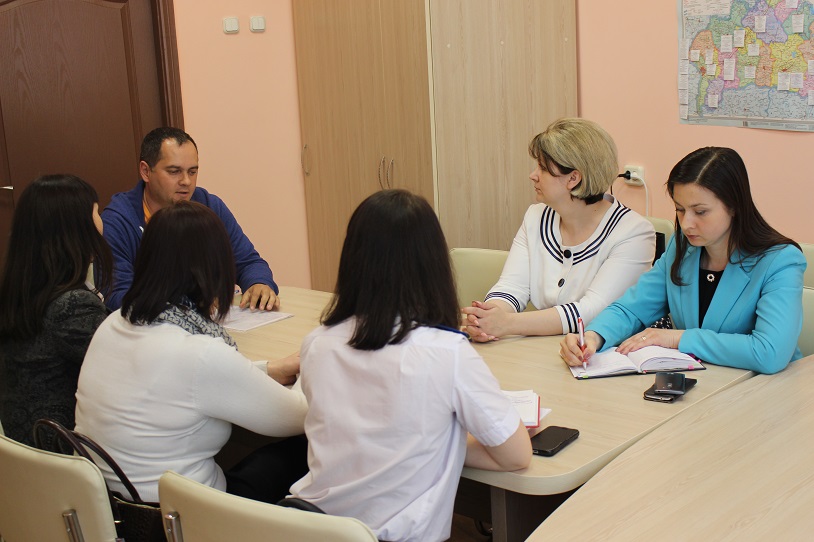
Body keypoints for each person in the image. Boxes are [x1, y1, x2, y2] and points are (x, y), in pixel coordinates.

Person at [289, 189, 532, 542]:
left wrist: (424, 443)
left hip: (311, 528)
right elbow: (516, 455)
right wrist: (439, 442)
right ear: (432, 264)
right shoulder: (446, 352)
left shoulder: (317, 342)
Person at [75, 201, 308, 504]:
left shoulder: (114, 323)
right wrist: (310, 365)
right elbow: (298, 416)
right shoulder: (200, 354)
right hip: (183, 516)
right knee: (299, 449)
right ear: (214, 269)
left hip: (110, 507)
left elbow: (188, 384)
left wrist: (268, 370)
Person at [560, 147, 805, 375]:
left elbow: (770, 352)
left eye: (700, 212)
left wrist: (678, 338)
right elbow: (632, 308)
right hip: (703, 383)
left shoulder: (780, 261)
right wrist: (593, 337)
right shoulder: (683, 246)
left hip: (765, 391)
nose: (686, 224)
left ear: (734, 207)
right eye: (680, 209)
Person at [462, 118, 655, 341]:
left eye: (543, 168)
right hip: (546, 348)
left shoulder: (634, 233)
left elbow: (593, 311)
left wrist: (507, 324)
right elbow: (512, 287)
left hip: (605, 351)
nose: (533, 175)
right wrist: (487, 318)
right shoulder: (536, 217)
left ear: (573, 178)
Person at [101, 126, 278, 311]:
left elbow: (248, 261)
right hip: (151, 324)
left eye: (192, 172)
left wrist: (259, 283)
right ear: (146, 171)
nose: (186, 181)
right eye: (174, 171)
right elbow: (118, 295)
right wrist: (186, 307)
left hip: (213, 322)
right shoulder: (118, 220)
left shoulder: (209, 206)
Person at [0, 175, 111, 446]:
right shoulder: (72, 307)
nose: (102, 223)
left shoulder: (20, 292)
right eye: (97, 212)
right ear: (75, 228)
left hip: (24, 450)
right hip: (66, 453)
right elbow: (128, 372)